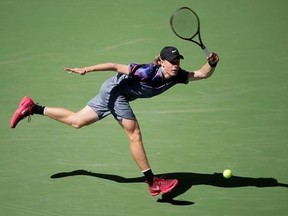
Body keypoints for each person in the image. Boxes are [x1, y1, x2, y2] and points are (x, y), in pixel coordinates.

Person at [10, 46, 219, 196]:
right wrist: (86, 69)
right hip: (115, 91)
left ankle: (32, 108)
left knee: (76, 121)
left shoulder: (177, 75)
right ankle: (153, 182)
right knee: (134, 133)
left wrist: (211, 64)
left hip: (113, 91)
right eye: (171, 62)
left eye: (178, 61)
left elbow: (201, 74)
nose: (175, 65)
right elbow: (113, 65)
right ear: (161, 62)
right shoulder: (146, 71)